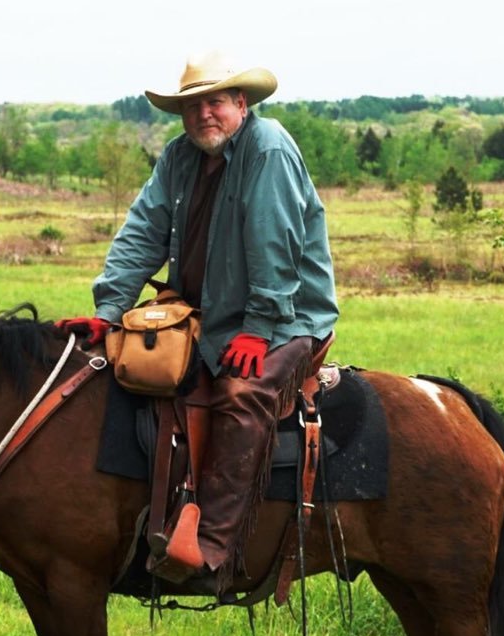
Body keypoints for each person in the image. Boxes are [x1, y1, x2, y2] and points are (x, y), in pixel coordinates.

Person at [63, 52, 338, 592]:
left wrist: (259, 328)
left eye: (214, 102)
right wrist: (108, 311)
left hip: (285, 316)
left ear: (241, 103)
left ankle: (213, 551)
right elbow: (142, 231)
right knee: (131, 371)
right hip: (204, 313)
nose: (203, 115)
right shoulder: (180, 157)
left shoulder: (269, 149)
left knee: (241, 394)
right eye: (192, 106)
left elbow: (274, 247)